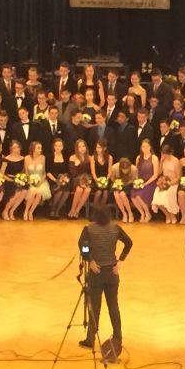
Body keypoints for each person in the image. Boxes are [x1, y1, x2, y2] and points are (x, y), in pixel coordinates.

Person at [78, 205, 133, 350]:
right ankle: (118, 337)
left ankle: (90, 339)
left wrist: (90, 260)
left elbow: (82, 246)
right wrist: (120, 261)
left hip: (96, 273)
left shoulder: (89, 229)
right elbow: (129, 243)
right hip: (112, 273)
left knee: (94, 307)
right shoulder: (115, 228)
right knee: (113, 306)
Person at [131, 139, 159, 222]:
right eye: (143, 146)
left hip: (150, 182)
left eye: (147, 146)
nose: (145, 148)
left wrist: (146, 183)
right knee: (133, 196)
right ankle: (142, 213)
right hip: (141, 182)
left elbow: (155, 175)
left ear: (150, 147)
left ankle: (148, 213)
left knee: (139, 195)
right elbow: (136, 172)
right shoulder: (138, 158)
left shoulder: (154, 158)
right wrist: (137, 182)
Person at [151, 144, 180, 223]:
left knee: (166, 195)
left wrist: (170, 183)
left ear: (169, 153)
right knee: (157, 196)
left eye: (165, 154)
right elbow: (159, 172)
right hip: (164, 182)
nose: (163, 156)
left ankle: (172, 216)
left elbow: (178, 177)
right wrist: (161, 161)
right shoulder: (163, 160)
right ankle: (167, 215)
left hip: (173, 183)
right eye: (162, 154)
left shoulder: (176, 161)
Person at [23, 141, 51, 221]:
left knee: (39, 193)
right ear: (33, 149)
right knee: (33, 191)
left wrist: (40, 181)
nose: (40, 150)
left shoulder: (43, 157)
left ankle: (31, 212)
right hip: (30, 181)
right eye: (38, 148)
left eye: (41, 148)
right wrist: (31, 181)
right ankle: (26, 211)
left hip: (41, 181)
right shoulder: (27, 158)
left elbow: (44, 173)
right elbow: (26, 173)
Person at [0, 140, 26, 221]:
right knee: (17, 191)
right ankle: (5, 211)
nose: (16, 149)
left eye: (17, 147)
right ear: (11, 148)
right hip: (8, 180)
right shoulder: (6, 159)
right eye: (14, 147)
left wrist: (21, 178)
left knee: (24, 191)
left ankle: (12, 211)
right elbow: (2, 173)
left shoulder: (23, 159)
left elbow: (23, 171)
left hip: (18, 180)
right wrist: (11, 180)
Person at [46, 138, 71, 219]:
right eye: (56, 146)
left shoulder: (66, 157)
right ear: (53, 146)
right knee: (59, 191)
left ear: (62, 147)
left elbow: (67, 171)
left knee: (66, 191)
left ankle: (57, 210)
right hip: (53, 179)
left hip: (63, 179)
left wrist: (65, 178)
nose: (58, 147)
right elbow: (48, 172)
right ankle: (52, 210)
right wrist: (56, 180)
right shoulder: (49, 156)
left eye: (60, 146)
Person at [68, 139, 92, 219]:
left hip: (87, 180)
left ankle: (77, 211)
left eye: (83, 146)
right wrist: (76, 165)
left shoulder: (90, 158)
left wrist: (87, 180)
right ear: (76, 148)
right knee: (79, 189)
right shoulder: (72, 157)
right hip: (76, 180)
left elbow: (91, 172)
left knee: (88, 190)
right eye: (79, 147)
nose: (82, 148)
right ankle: (72, 210)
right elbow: (73, 174)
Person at [110, 157, 138, 222]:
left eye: (127, 169)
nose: (125, 171)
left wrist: (126, 183)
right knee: (116, 194)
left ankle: (130, 213)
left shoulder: (134, 169)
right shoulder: (114, 168)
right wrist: (117, 183)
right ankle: (124, 213)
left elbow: (134, 179)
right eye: (123, 169)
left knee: (122, 194)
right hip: (118, 183)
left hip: (129, 184)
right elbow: (112, 178)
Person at [90, 138, 113, 208]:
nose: (98, 149)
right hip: (96, 179)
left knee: (105, 193)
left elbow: (109, 172)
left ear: (104, 148)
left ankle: (101, 210)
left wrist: (106, 181)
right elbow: (93, 172)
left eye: (100, 147)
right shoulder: (93, 158)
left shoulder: (109, 157)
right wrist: (97, 181)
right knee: (99, 192)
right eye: (97, 147)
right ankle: (95, 209)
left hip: (106, 179)